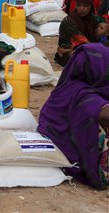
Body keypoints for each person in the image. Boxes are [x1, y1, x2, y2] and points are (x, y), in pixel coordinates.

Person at [38, 43, 109, 189]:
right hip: (70, 146)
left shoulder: (69, 84)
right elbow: (104, 113)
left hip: (55, 134)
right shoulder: (80, 93)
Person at [55, 0, 106, 66]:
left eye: (85, 6)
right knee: (89, 59)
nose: (82, 9)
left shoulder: (92, 18)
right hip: (72, 53)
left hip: (91, 48)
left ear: (91, 7)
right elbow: (84, 44)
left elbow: (105, 25)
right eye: (79, 5)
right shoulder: (69, 21)